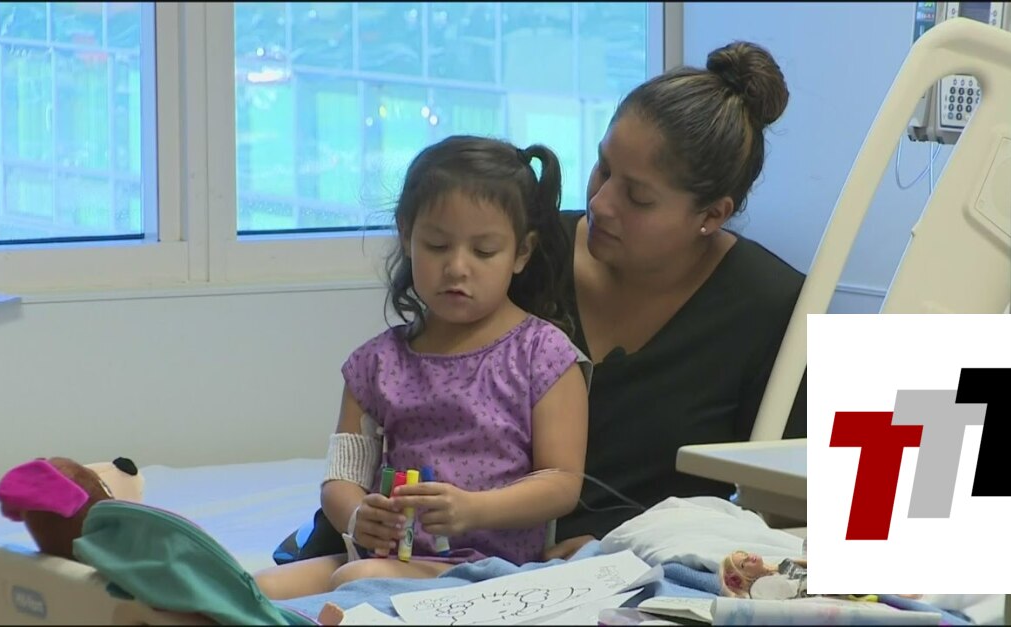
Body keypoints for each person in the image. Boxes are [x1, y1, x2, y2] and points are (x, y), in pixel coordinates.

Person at [254, 136, 591, 600]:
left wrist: (473, 510)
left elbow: (561, 483)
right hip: (386, 558)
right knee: (254, 590)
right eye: (436, 245)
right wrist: (357, 516)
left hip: (489, 571)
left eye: (483, 251)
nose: (457, 267)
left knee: (354, 581)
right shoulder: (375, 365)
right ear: (407, 235)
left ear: (521, 253)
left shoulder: (544, 355)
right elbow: (341, 480)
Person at [546, 40, 809, 558]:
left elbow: (787, 515)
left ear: (711, 215)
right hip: (482, 560)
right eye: (602, 168)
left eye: (638, 197)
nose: (600, 203)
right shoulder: (526, 255)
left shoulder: (774, 308)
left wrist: (613, 550)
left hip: (661, 575)